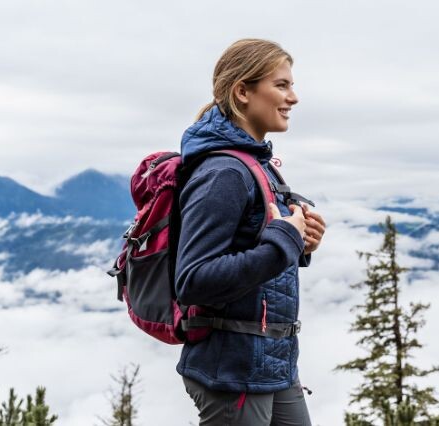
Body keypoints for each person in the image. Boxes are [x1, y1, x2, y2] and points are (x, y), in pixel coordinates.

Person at [174, 38, 326, 426]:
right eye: (281, 85)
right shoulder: (223, 173)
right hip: (233, 371)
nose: (294, 97)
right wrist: (283, 242)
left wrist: (299, 241)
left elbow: (257, 246)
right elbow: (193, 280)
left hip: (272, 364)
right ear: (243, 91)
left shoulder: (258, 164)